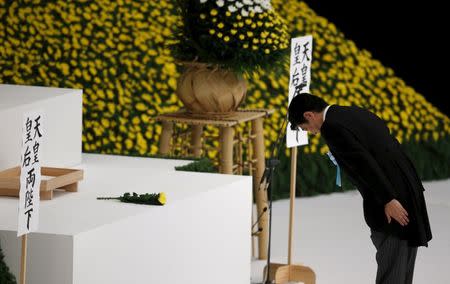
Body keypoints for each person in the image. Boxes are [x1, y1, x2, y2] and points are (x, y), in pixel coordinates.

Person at [288, 92, 432, 284]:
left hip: (391, 197)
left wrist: (388, 199)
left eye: (305, 128)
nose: (311, 131)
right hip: (406, 185)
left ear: (309, 115)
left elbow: (365, 164)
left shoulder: (331, 127)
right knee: (404, 262)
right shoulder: (350, 112)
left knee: (393, 264)